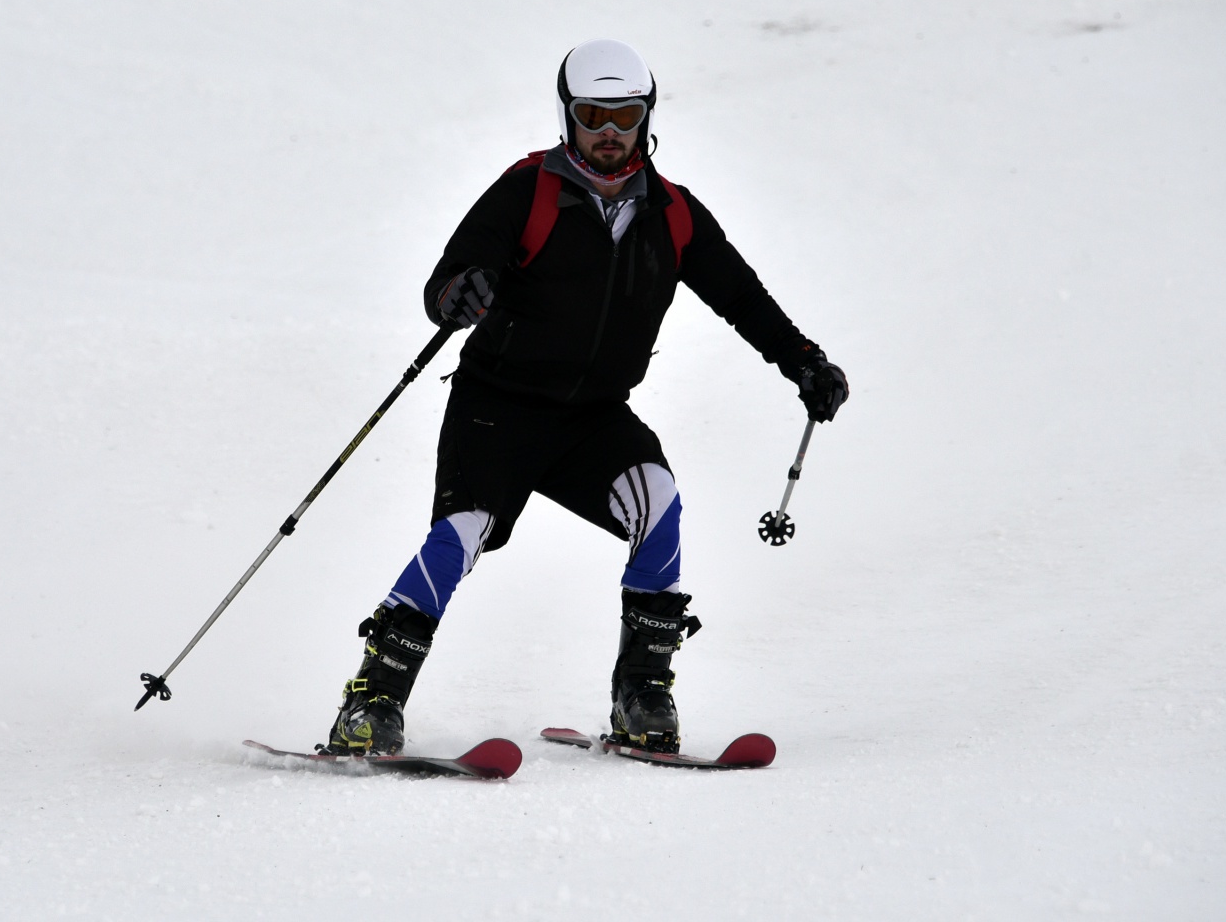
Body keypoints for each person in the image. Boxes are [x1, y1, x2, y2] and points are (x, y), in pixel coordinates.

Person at [321, 39, 848, 756]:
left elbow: (741, 296)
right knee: (460, 538)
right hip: (497, 408)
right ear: (568, 115)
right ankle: (371, 701)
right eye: (592, 114)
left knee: (657, 502)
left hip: (593, 419)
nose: (608, 130)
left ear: (646, 116)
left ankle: (643, 696)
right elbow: (446, 280)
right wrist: (459, 295)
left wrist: (805, 363)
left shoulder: (674, 215)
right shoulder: (528, 190)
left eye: (624, 114)